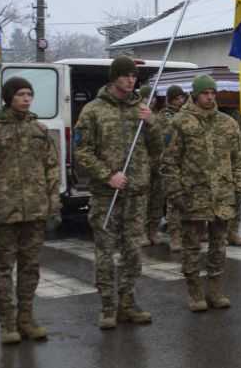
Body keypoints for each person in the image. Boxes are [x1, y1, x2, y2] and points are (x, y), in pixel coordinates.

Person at [73, 56, 162, 330]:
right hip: (106, 195)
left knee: (133, 252)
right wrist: (106, 175)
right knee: (105, 251)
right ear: (114, 78)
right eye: (125, 76)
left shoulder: (142, 109)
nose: (130, 80)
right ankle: (107, 305)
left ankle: (128, 301)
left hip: (136, 192)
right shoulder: (93, 111)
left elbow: (157, 149)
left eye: (134, 76)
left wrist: (152, 124)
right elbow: (81, 151)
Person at [0, 77, 62, 344]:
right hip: (4, 213)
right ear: (9, 97)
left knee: (30, 268)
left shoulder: (38, 129)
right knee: (3, 269)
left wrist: (53, 207)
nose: (26, 99)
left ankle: (26, 318)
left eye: (29, 94)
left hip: (35, 212)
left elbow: (52, 170)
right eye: (21, 94)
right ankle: (6, 322)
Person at [162, 75, 241, 311]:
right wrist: (175, 192)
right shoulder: (180, 123)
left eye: (213, 93)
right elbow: (169, 162)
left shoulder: (227, 123)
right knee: (191, 246)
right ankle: (194, 291)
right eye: (205, 93)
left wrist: (239, 187)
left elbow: (238, 160)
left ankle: (215, 290)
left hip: (222, 195)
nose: (210, 97)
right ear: (195, 95)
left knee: (219, 245)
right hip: (193, 195)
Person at [158, 85, 189, 252]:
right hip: (171, 162)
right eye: (176, 99)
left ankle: (186, 233)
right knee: (173, 202)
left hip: (187, 163)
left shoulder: (185, 115)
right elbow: (163, 139)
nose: (180, 101)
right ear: (170, 100)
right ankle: (174, 236)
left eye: (182, 98)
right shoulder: (165, 116)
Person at [138, 86, 166, 248]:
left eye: (153, 97)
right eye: (147, 97)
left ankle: (152, 231)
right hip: (143, 165)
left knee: (157, 199)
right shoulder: (136, 115)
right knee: (143, 200)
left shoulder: (157, 116)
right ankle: (141, 231)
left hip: (158, 164)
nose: (151, 100)